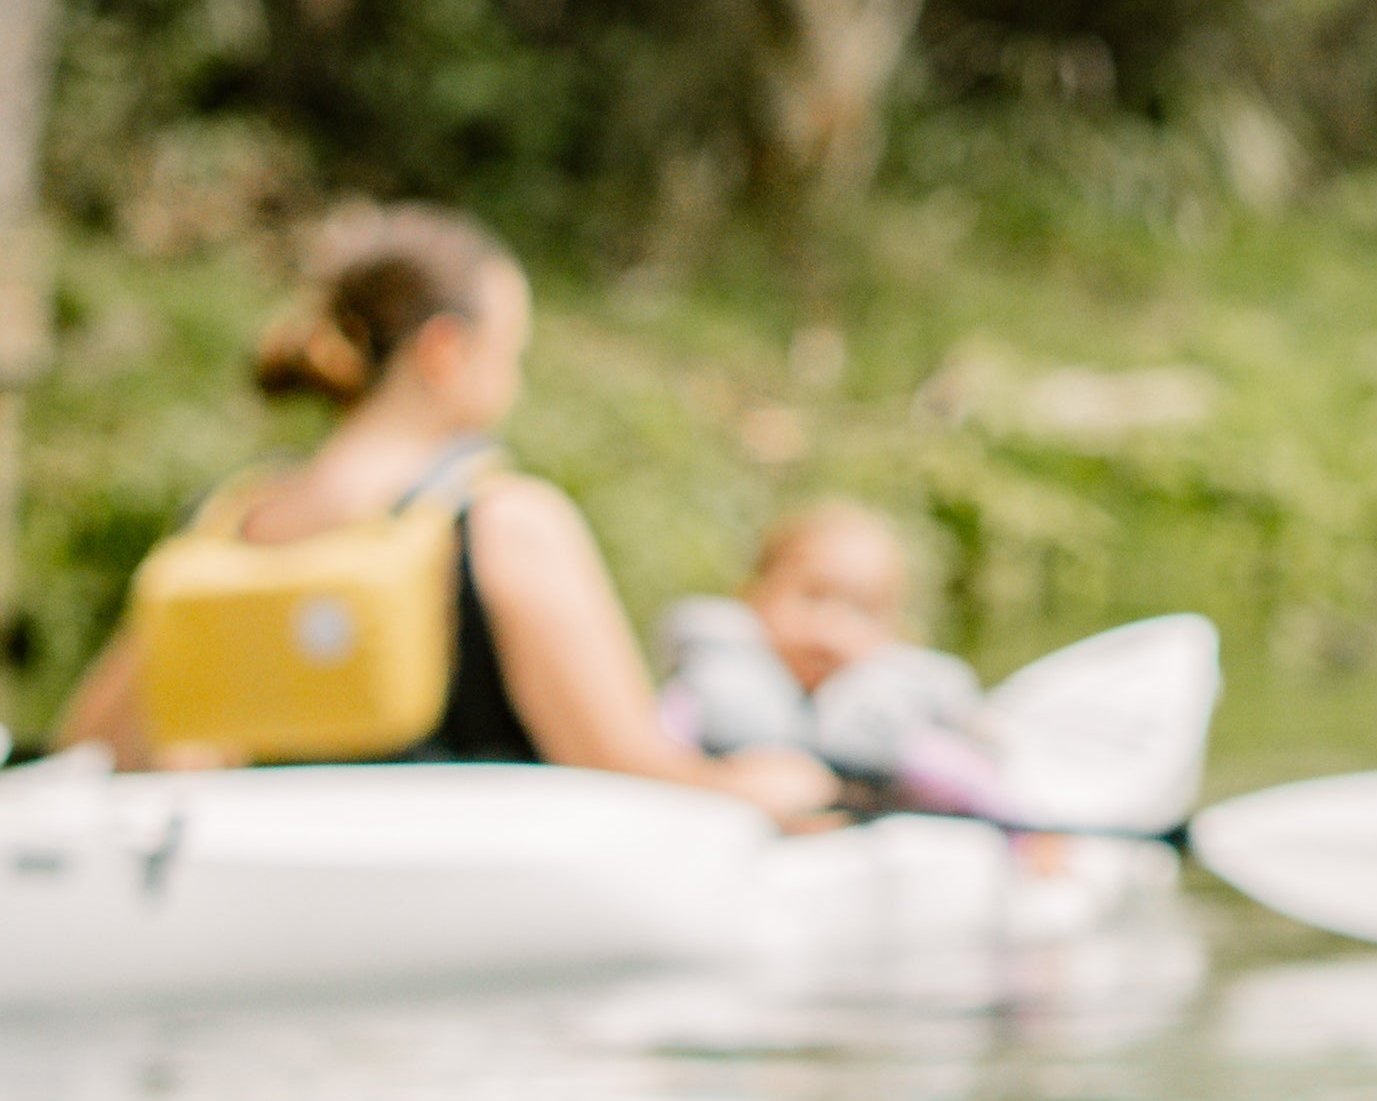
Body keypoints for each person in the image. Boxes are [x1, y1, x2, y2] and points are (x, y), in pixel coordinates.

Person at [46, 205, 836, 819]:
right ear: (445, 351)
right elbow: (628, 768)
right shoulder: (507, 522)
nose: (516, 387)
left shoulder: (226, 524)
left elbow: (90, 750)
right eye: (512, 355)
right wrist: (766, 786)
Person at [658, 502, 1009, 817]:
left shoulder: (894, 716)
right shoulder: (713, 684)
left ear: (892, 631)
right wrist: (720, 780)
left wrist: (1026, 836)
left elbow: (976, 783)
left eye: (862, 610)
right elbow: (649, 755)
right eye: (813, 596)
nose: (830, 628)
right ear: (755, 592)